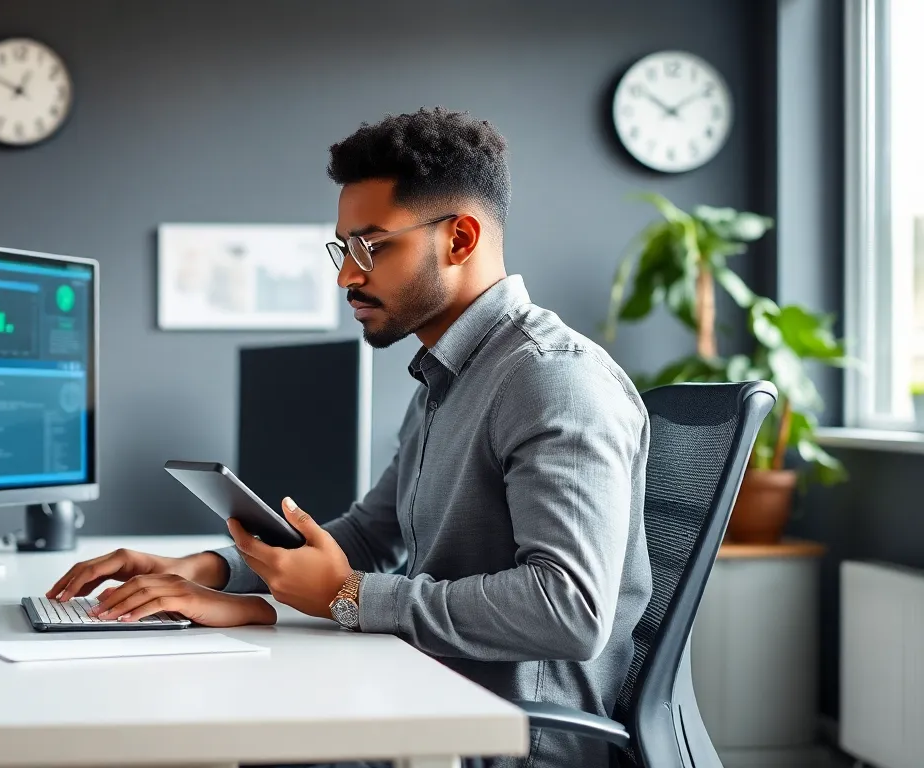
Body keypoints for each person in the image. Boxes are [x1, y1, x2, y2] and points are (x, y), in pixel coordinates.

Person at [50, 108, 651, 768]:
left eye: (371, 247)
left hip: (510, 740)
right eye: (344, 250)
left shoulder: (550, 379)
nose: (346, 276)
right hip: (434, 695)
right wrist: (212, 570)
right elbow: (370, 534)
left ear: (459, 239)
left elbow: (569, 610)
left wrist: (347, 597)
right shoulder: (446, 377)